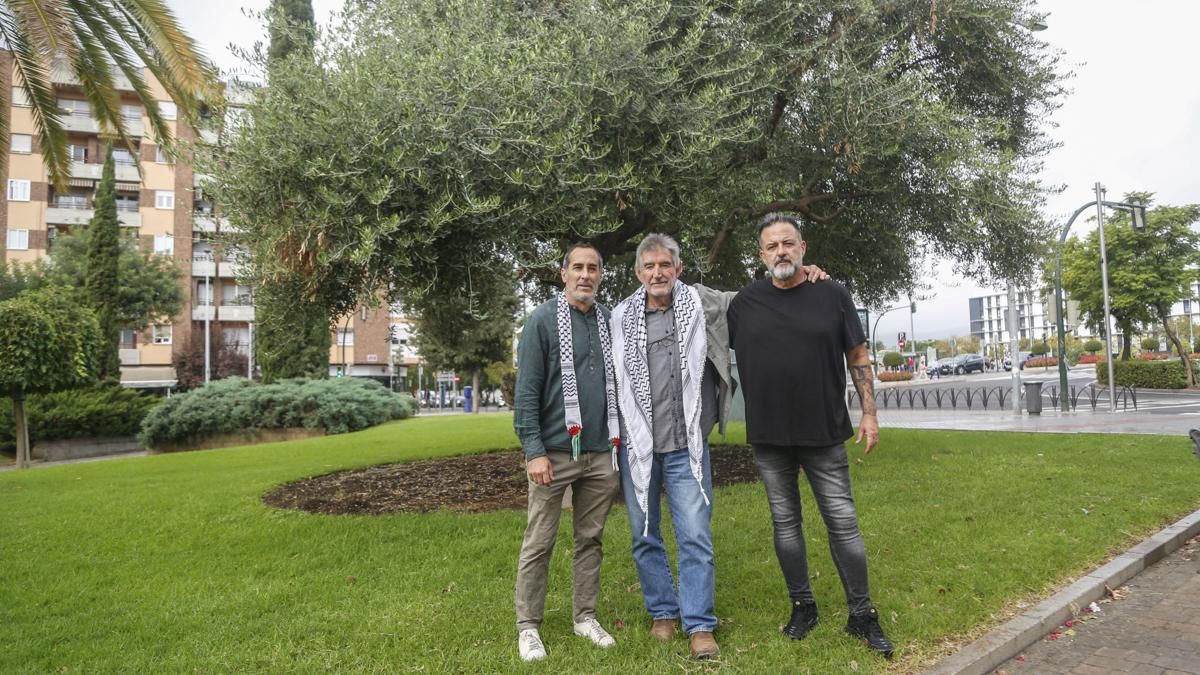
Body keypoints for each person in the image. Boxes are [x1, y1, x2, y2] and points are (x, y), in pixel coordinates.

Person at [610, 233, 827, 660]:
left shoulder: (703, 303)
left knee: (695, 536)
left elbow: (757, 297)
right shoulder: (618, 318)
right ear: (638, 273)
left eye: (665, 265)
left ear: (679, 268)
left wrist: (804, 275)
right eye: (649, 266)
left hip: (686, 447)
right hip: (637, 449)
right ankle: (662, 614)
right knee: (645, 535)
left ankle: (699, 625)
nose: (658, 273)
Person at [727, 213, 896, 659]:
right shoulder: (743, 304)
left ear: (804, 247)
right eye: (771, 246)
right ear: (761, 254)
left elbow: (858, 355)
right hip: (770, 439)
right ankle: (803, 607)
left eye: (788, 243)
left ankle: (862, 613)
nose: (781, 251)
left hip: (824, 433)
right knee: (786, 527)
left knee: (843, 525)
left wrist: (870, 414)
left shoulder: (832, 294)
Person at [512, 243, 622, 662]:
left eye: (593, 268)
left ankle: (584, 616)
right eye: (577, 267)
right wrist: (533, 451)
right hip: (554, 453)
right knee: (539, 541)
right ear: (563, 273)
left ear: (600, 275)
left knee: (590, 539)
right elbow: (526, 395)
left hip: (600, 452)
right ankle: (528, 627)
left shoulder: (609, 321)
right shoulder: (541, 321)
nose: (585, 275)